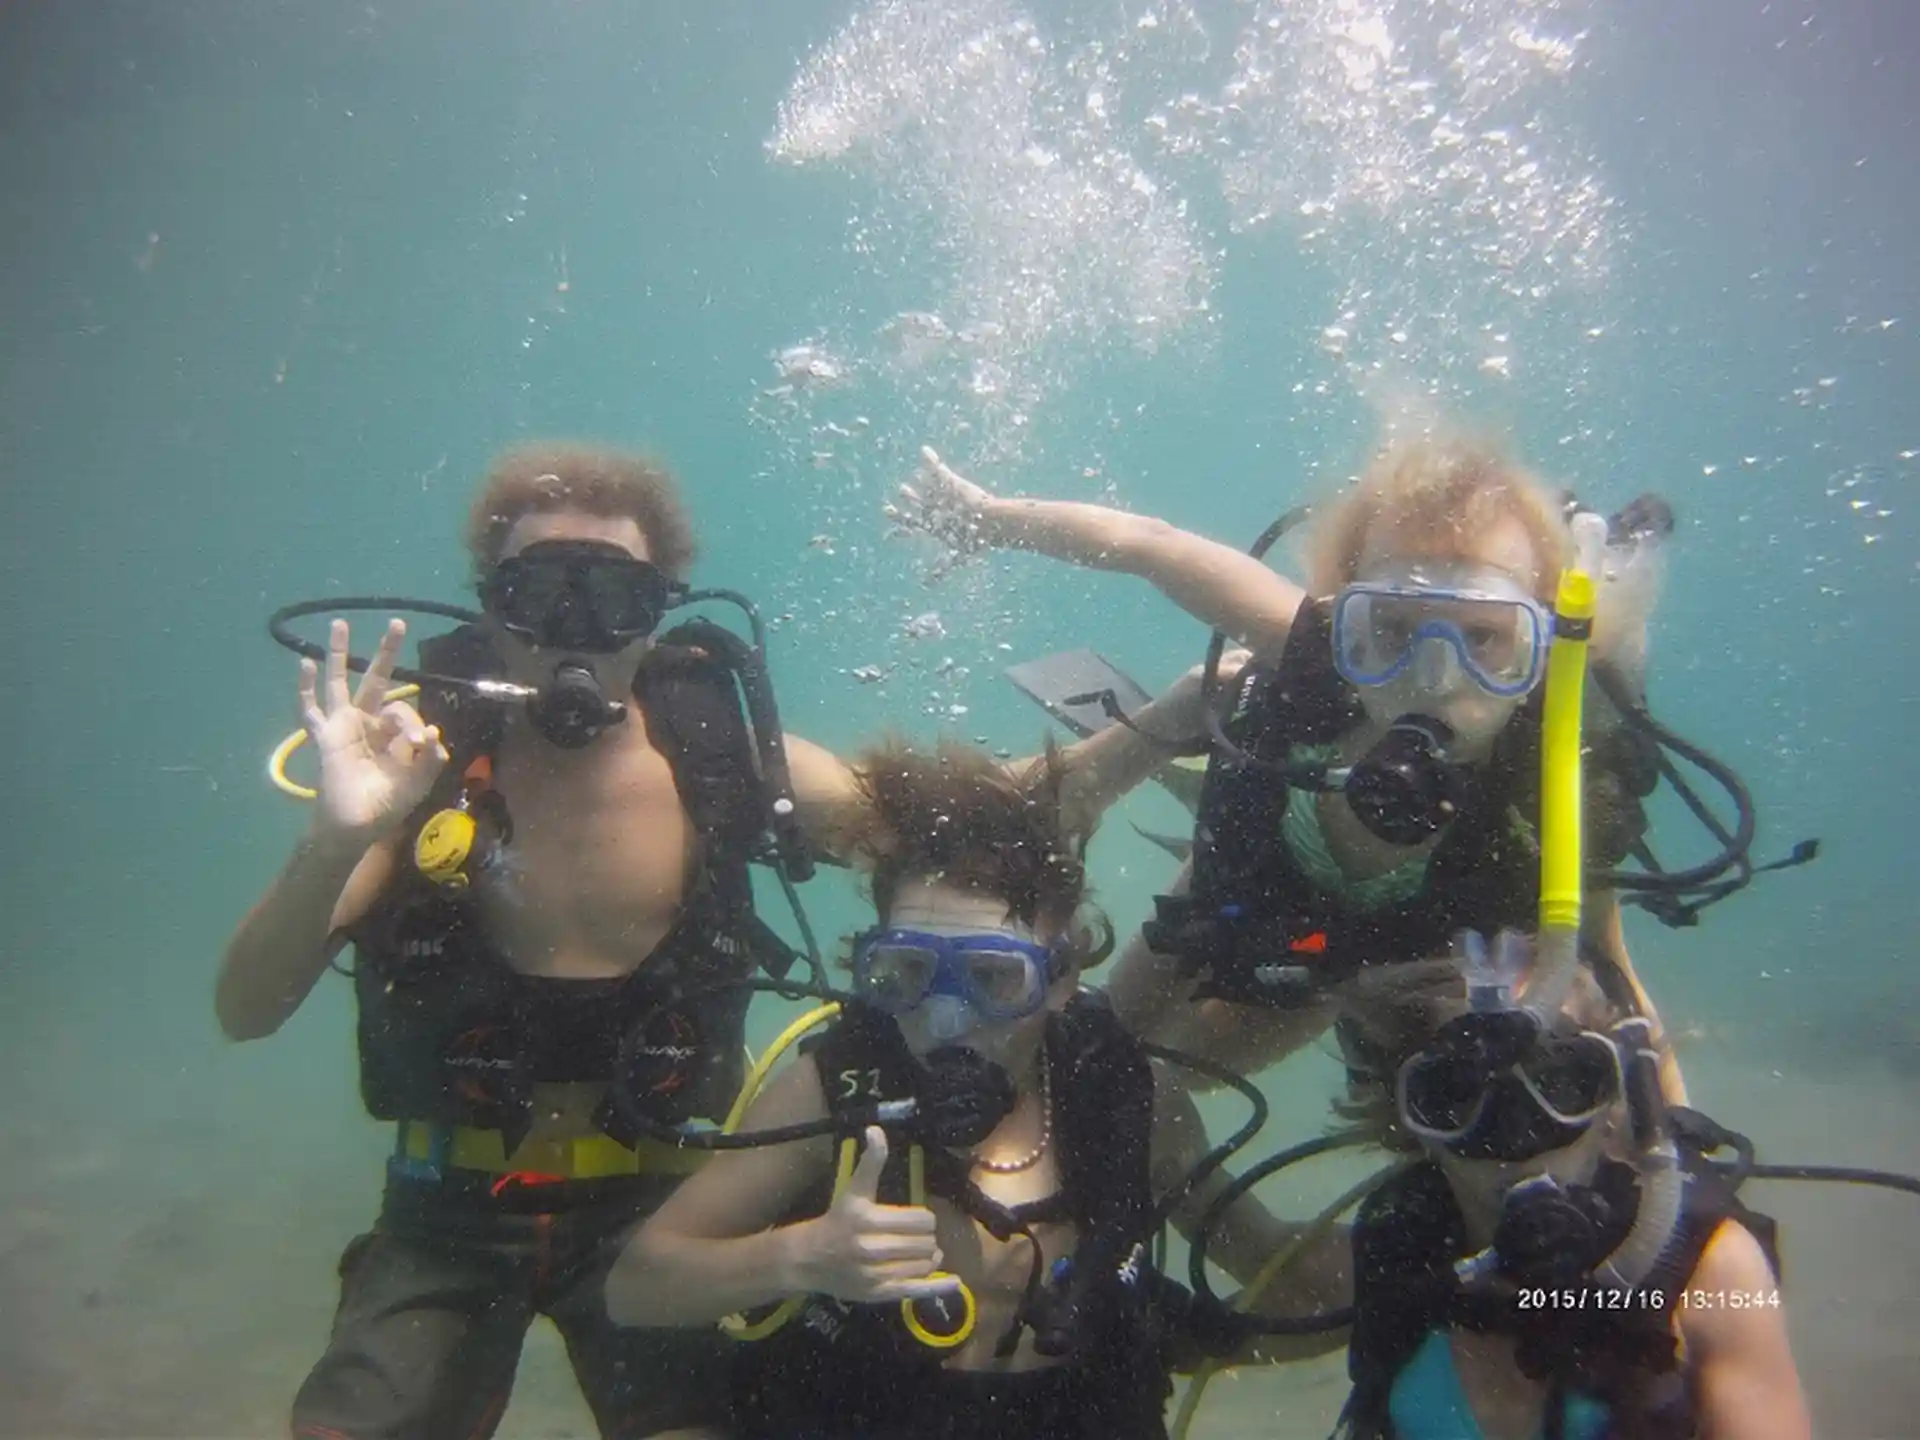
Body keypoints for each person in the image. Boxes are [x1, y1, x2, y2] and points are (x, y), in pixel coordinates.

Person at [218, 444, 1207, 1440]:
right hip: (445, 1205)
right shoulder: (420, 768)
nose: (573, 631)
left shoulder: (726, 755)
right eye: (536, 594)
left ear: (658, 610)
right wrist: (337, 835)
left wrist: (1176, 717)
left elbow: (993, 823)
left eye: (612, 597)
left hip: (661, 1196)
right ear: (487, 605)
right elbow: (247, 1010)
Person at [890, 436, 1695, 1100]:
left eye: (1483, 638)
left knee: (1174, 1083)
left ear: (1540, 650)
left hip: (1364, 965)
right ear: (1345, 624)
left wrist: (1678, 1143)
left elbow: (1620, 986)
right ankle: (1126, 758)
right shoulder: (1312, 654)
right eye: (1393, 630)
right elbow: (1154, 549)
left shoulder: (1549, 781)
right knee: (1100, 1049)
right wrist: (991, 520)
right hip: (1247, 878)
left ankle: (1187, 744)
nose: (1434, 675)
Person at [605, 738, 1353, 1440]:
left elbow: (1280, 1280)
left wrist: (1421, 1275)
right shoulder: (834, 1090)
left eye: (994, 979)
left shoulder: (1126, 1100)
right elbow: (635, 1286)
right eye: (908, 973)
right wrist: (802, 1257)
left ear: (1061, 979)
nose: (946, 1017)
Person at [1325, 940, 1809, 1439]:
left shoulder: (1707, 1271)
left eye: (1558, 1084)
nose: (1518, 1141)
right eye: (1460, 1094)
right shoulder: (1400, 1246)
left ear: (1615, 1099)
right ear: (1408, 1120)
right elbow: (1278, 1286)